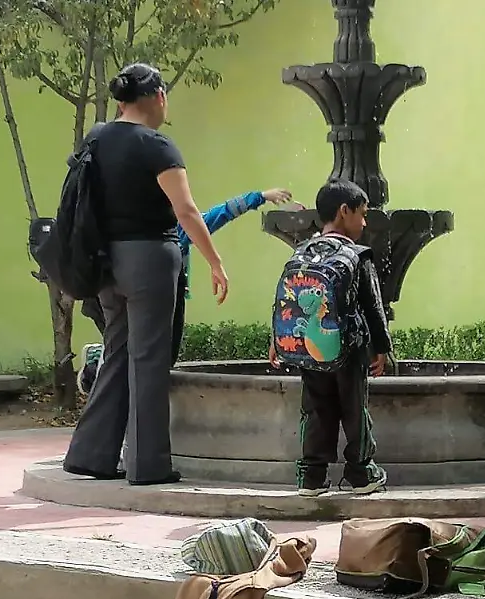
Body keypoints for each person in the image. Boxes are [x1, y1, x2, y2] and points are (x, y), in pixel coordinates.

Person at [62, 63, 229, 486]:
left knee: (117, 351)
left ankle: (92, 455)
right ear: (157, 97)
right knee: (150, 360)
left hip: (104, 263)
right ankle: (148, 465)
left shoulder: (96, 139)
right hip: (149, 261)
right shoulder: (158, 146)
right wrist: (214, 261)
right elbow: (186, 211)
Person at [77, 188, 295, 395]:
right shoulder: (132, 230)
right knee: (131, 354)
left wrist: (261, 196)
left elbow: (220, 213)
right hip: (121, 298)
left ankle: (104, 362)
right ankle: (101, 360)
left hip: (155, 300)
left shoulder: (177, 228)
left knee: (154, 359)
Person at [268, 180, 392, 497]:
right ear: (344, 211)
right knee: (354, 408)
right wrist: (381, 348)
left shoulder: (302, 252)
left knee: (315, 408)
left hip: (309, 351)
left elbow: (286, 300)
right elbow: (373, 306)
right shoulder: (357, 255)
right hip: (348, 349)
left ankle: (311, 476)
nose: (364, 223)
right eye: (362, 214)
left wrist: (278, 340)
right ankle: (361, 473)